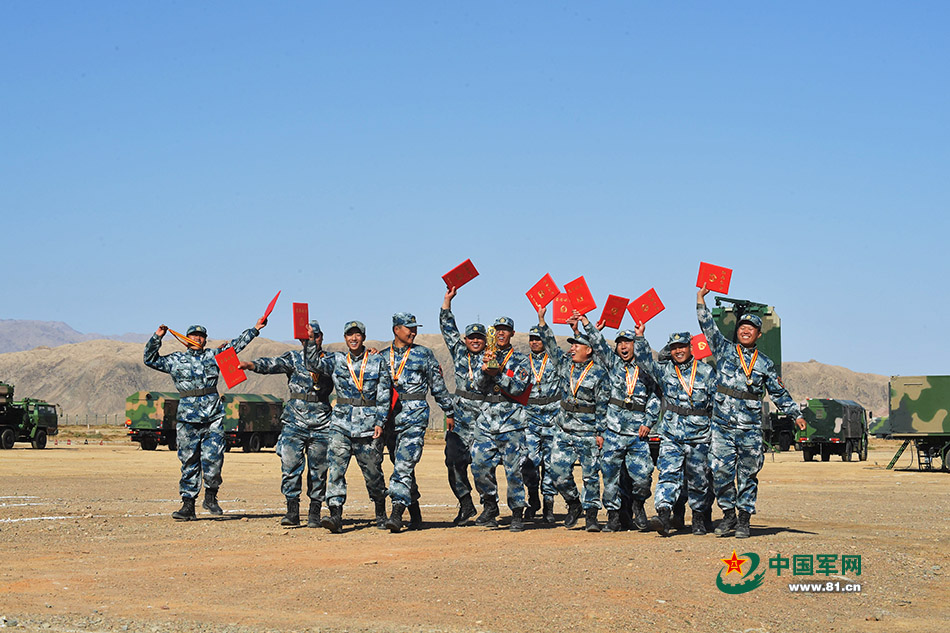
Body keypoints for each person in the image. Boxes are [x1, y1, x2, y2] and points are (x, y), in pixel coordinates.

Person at [697, 286, 806, 538]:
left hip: (749, 428)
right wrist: (700, 299)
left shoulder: (765, 363)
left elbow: (778, 393)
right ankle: (728, 516)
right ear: (737, 332)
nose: (745, 331)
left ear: (758, 334)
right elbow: (707, 326)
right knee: (720, 472)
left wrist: (795, 414)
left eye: (751, 329)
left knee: (748, 473)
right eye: (742, 328)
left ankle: (744, 519)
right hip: (722, 426)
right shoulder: (724, 350)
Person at [144, 317, 266, 520]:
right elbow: (150, 359)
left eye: (201, 336)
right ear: (185, 339)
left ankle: (211, 497)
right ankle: (188, 506)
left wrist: (255, 328)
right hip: (187, 419)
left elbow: (237, 345)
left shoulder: (214, 355)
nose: (197, 339)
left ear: (205, 341)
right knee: (188, 461)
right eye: (193, 335)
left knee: (213, 459)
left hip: (213, 417)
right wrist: (158, 337)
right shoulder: (175, 360)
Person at [238, 319, 333, 528]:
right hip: (294, 422)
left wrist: (370, 355)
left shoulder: (331, 360)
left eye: (316, 336)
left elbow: (354, 367)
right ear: (302, 338)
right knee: (290, 466)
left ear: (321, 337)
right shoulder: (293, 358)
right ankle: (292, 511)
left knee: (319, 470)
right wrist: (250, 365)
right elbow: (270, 364)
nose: (312, 339)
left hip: (321, 424)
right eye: (309, 336)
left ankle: (315, 512)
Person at [305, 320, 391, 534]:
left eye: (357, 335)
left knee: (373, 473)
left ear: (363, 337)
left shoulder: (377, 361)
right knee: (335, 470)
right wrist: (309, 341)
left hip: (368, 426)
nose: (353, 338)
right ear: (344, 338)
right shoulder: (336, 360)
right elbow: (313, 364)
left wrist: (380, 421)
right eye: (349, 335)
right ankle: (335, 515)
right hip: (340, 425)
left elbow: (384, 394)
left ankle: (380, 511)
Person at [580, 315, 660, 533]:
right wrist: (586, 323)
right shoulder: (612, 364)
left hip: (637, 433)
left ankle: (638, 504)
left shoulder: (647, 369)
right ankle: (613, 516)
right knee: (610, 477)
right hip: (613, 431)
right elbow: (597, 342)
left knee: (643, 476)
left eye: (628, 342)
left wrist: (649, 422)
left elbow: (655, 398)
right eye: (620, 343)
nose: (624, 346)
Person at [633, 325, 715, 536]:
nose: (678, 351)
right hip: (671, 434)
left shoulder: (706, 372)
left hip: (699, 435)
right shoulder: (665, 370)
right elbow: (644, 362)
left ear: (690, 348)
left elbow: (716, 403)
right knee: (668, 474)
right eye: (674, 347)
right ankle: (663, 513)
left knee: (698, 479)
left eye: (682, 347)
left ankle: (697, 517)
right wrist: (640, 337)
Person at [379, 312, 456, 532]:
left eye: (415, 328)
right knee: (401, 464)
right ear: (396, 330)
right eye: (408, 328)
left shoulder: (424, 355)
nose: (413, 332)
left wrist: (448, 411)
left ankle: (396, 514)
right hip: (390, 419)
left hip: (415, 416)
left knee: (403, 465)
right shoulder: (382, 357)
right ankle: (415, 512)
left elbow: (438, 386)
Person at [536, 305, 608, 532]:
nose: (573, 348)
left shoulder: (599, 373)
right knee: (557, 472)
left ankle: (592, 516)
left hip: (587, 431)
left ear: (589, 350)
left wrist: (600, 432)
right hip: (564, 428)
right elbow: (549, 344)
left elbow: (603, 406)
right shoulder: (564, 365)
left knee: (590, 476)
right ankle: (574, 503)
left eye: (577, 345)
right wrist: (541, 319)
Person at [470, 316, 532, 531]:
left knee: (514, 470)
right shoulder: (485, 356)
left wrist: (498, 375)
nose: (501, 334)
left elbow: (518, 389)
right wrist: (485, 370)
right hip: (486, 421)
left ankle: (517, 513)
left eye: (505, 330)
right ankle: (489, 505)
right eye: (498, 330)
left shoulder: (522, 360)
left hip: (511, 422)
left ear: (512, 334)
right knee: (478, 465)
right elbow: (476, 385)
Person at [439, 287, 489, 526]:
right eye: (471, 337)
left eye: (480, 337)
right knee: (453, 460)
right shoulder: (459, 351)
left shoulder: (493, 356)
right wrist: (448, 301)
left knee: (482, 463)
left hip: (484, 417)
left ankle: (489, 505)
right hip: (460, 418)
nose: (476, 340)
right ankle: (466, 503)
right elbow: (448, 328)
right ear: (466, 340)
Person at [522, 325, 561, 523]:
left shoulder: (555, 360)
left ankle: (548, 504)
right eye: (532, 339)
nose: (535, 342)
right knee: (529, 462)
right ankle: (533, 498)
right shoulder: (523, 362)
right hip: (530, 418)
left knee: (550, 464)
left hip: (553, 418)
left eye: (539, 338)